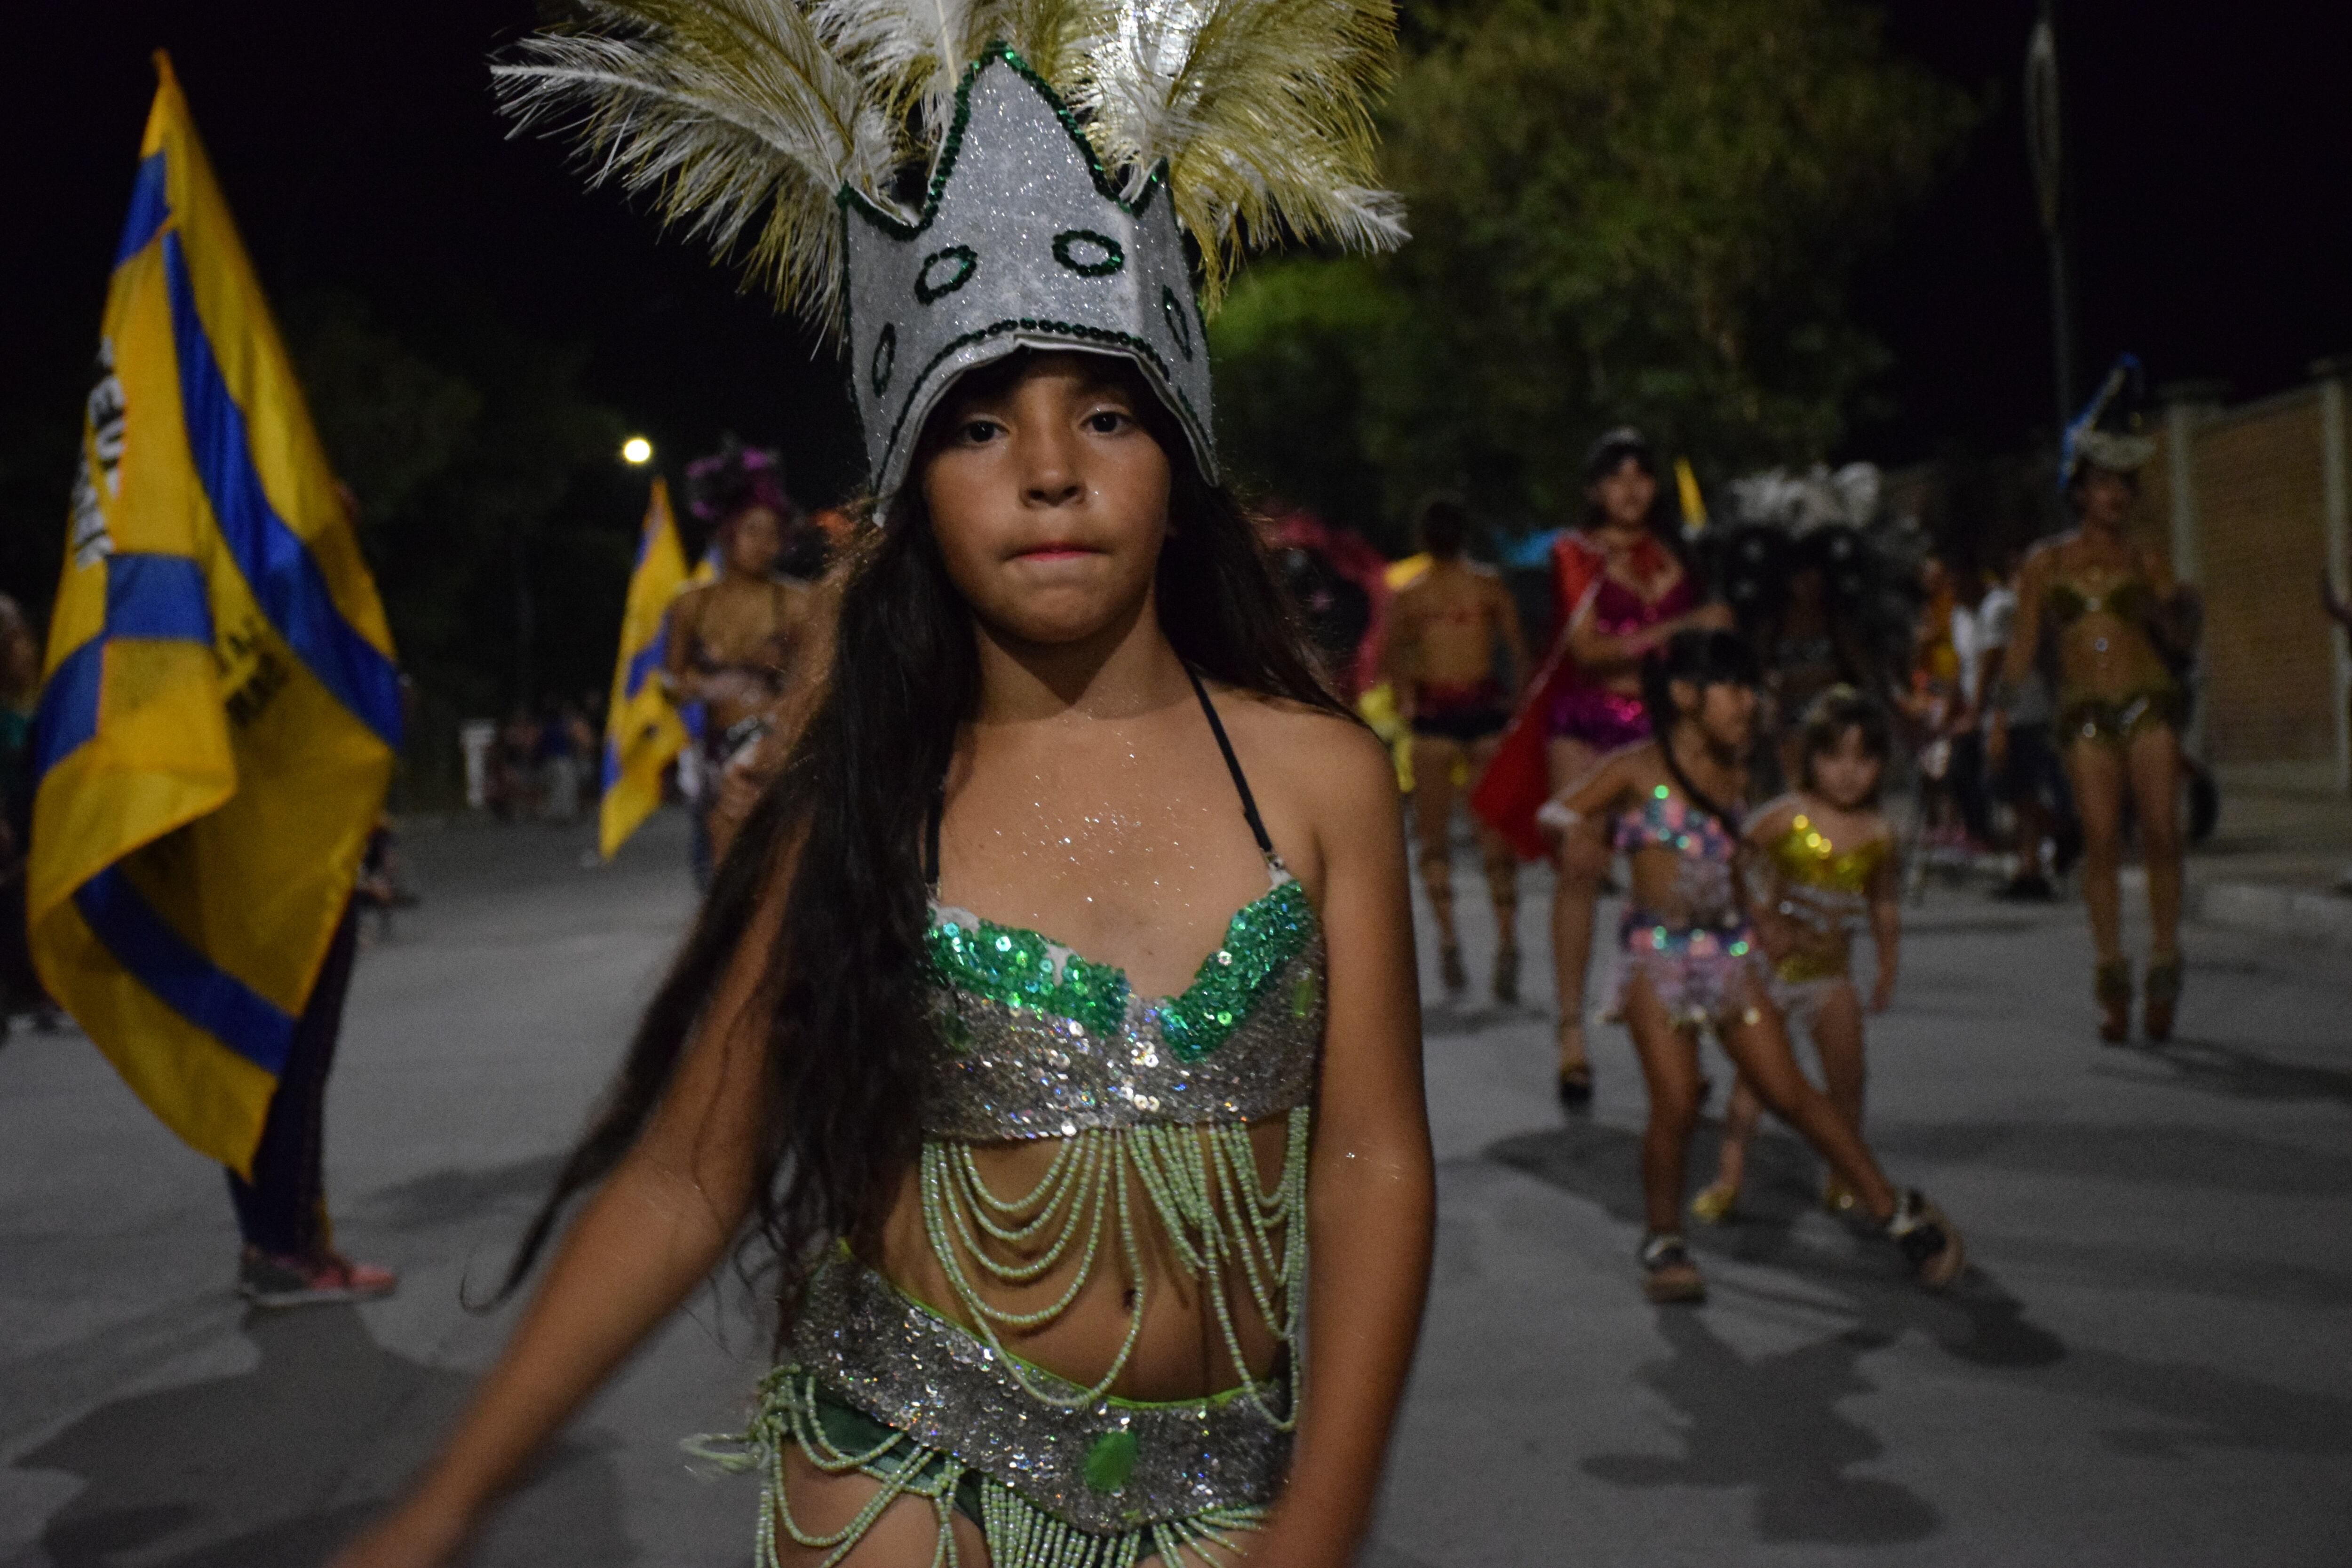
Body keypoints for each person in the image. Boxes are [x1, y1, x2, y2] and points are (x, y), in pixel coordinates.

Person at [340, 15, 1426, 1568]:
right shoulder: (864, 800)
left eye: (1104, 413)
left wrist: (1322, 1513)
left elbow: (1373, 1156)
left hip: (1232, 1503)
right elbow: (689, 1172)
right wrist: (441, 1507)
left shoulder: (1321, 778)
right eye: (980, 424)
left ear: (1179, 462)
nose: (1049, 469)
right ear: (913, 488)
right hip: (908, 1497)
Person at [1538, 631, 1963, 1304]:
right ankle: (1663, 1238)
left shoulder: (1737, 772)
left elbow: (1733, 861)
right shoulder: (1632, 768)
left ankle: (1897, 1211)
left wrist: (1763, 919)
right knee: (1675, 1103)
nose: (1748, 702)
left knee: (1789, 1091)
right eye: (1733, 687)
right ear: (1685, 696)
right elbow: (1558, 810)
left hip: (1730, 953)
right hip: (1656, 959)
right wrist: (1582, 834)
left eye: (1750, 688)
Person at [1473, 430, 1731, 1105]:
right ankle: (1571, 1038)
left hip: (1663, 729)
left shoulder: (1680, 555)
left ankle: (1686, 1032)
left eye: (1642, 476)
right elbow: (1588, 650)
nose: (1630, 489)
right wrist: (1684, 627)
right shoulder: (1575, 553)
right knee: (1581, 868)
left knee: (1674, 878)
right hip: (1587, 724)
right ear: (1594, 489)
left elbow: (1710, 644)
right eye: (1616, 477)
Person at [1998, 364, 2198, 1043]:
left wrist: (2167, 613)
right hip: (2084, 713)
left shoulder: (2148, 562)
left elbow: (2178, 643)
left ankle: (2165, 963)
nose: (2116, 495)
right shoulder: (2044, 565)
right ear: (2079, 487)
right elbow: (2023, 650)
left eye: (2125, 485)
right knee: (2104, 841)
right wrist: (1994, 717)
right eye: (2103, 483)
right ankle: (2113, 974)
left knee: (2165, 834)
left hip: (2147, 703)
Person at [1691, 687, 1899, 1223]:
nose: (1848, 774)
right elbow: (1731, 857)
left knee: (1847, 1080)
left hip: (1831, 975)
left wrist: (1887, 962)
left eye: (1864, 759)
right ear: (1808, 759)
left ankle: (1842, 1174)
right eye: (1833, 758)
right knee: (1753, 1086)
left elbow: (1881, 903)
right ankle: (1729, 1176)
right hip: (1770, 970)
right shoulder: (1788, 816)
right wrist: (1758, 918)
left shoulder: (1879, 834)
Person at [1383, 494, 1530, 1001]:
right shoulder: (1478, 587)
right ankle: (1495, 941)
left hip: (1446, 718)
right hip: (1471, 715)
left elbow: (1390, 655)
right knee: (1484, 841)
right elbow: (1516, 650)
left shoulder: (1417, 595)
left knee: (1439, 842)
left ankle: (1459, 940)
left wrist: (1406, 696)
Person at [668, 441, 816, 887]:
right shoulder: (692, 603)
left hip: (779, 746)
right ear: (728, 531)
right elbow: (671, 682)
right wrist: (709, 686)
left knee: (784, 868)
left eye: (773, 533)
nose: (764, 544)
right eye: (753, 531)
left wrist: (775, 673)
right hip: (717, 752)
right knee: (725, 873)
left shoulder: (797, 602)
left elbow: (816, 680)